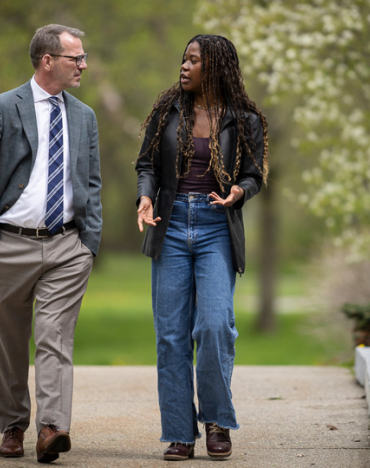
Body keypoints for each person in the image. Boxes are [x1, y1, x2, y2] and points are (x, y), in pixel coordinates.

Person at [0, 24, 101, 464]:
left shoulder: (85, 116)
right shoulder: (1, 107)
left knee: (55, 338)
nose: (83, 65)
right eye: (75, 58)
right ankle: (14, 426)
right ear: (47, 61)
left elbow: (91, 182)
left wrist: (89, 241)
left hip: (67, 246)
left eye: (83, 57)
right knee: (11, 341)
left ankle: (52, 428)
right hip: (10, 243)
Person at [135, 34, 269, 461]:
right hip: (171, 226)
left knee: (214, 327)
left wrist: (239, 193)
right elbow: (147, 166)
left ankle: (216, 420)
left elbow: (254, 175)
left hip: (216, 227)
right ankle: (178, 432)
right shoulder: (167, 112)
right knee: (171, 337)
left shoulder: (244, 119)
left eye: (194, 60)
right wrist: (145, 196)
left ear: (215, 68)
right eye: (183, 59)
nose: (185, 66)